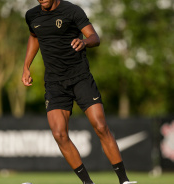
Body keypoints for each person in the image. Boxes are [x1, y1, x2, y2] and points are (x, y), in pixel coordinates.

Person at [21, 0, 137, 184]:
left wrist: (84, 42)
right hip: (54, 83)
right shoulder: (31, 15)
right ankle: (87, 182)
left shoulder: (72, 11)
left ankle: (124, 181)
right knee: (59, 134)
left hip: (80, 77)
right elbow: (34, 36)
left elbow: (94, 37)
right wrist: (26, 66)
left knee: (100, 126)